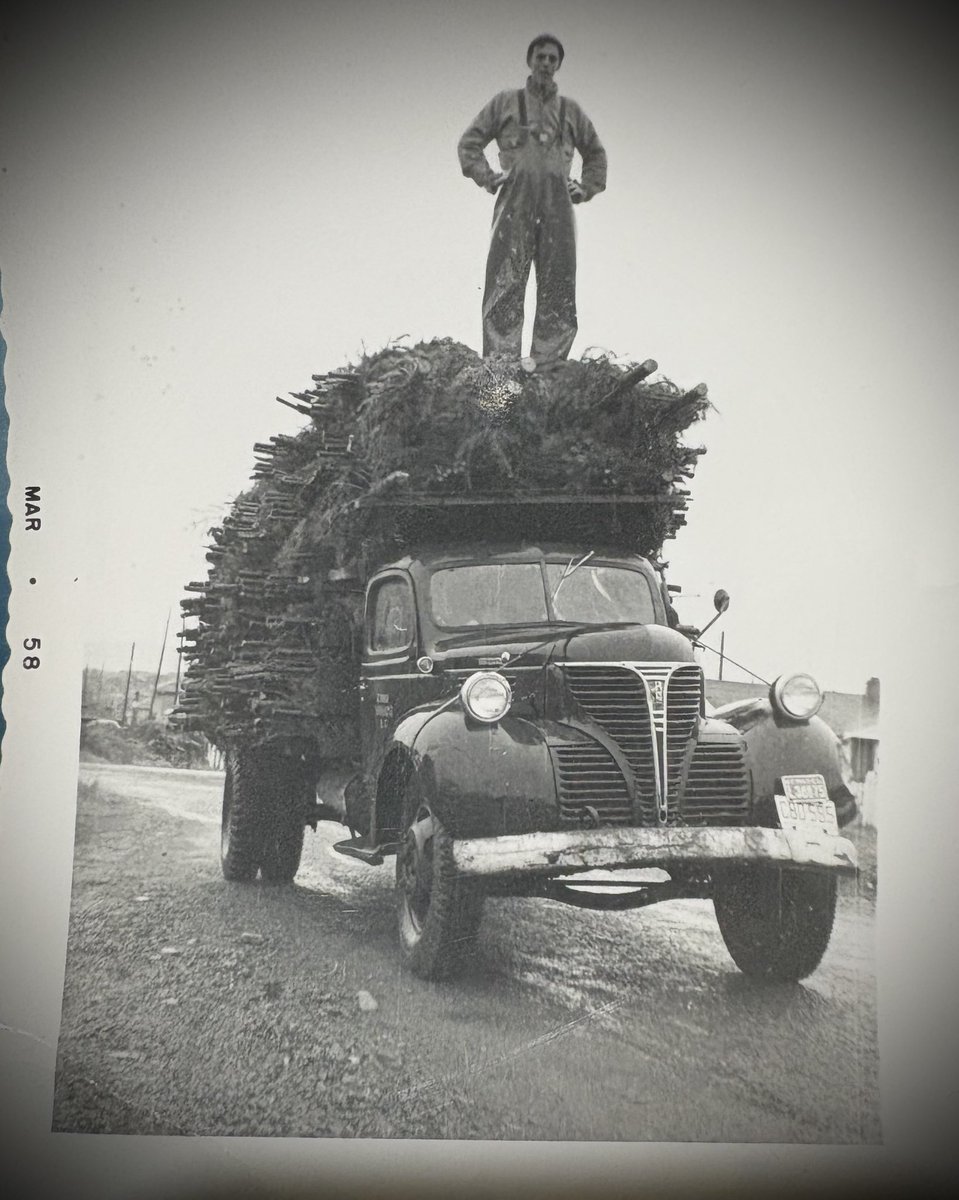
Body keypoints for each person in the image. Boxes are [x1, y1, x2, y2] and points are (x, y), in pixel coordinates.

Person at [458, 34, 607, 367]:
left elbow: (595, 153)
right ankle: (502, 364)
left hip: (558, 207)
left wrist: (585, 187)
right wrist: (487, 176)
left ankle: (548, 365)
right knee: (505, 279)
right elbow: (469, 144)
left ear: (558, 65)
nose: (546, 64)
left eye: (553, 59)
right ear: (530, 60)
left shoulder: (571, 111)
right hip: (516, 203)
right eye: (541, 57)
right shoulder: (505, 103)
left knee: (558, 282)